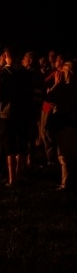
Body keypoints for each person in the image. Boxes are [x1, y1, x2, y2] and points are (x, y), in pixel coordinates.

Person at [0, 46, 36, 186]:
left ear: (6, 56)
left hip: (6, 113)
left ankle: (12, 179)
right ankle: (19, 174)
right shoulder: (27, 74)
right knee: (21, 143)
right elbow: (30, 94)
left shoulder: (1, 74)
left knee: (9, 145)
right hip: (23, 112)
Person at [45, 61, 77, 190]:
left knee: (64, 154)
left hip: (66, 123)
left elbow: (48, 97)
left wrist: (57, 83)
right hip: (70, 122)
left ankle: (67, 183)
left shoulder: (67, 87)